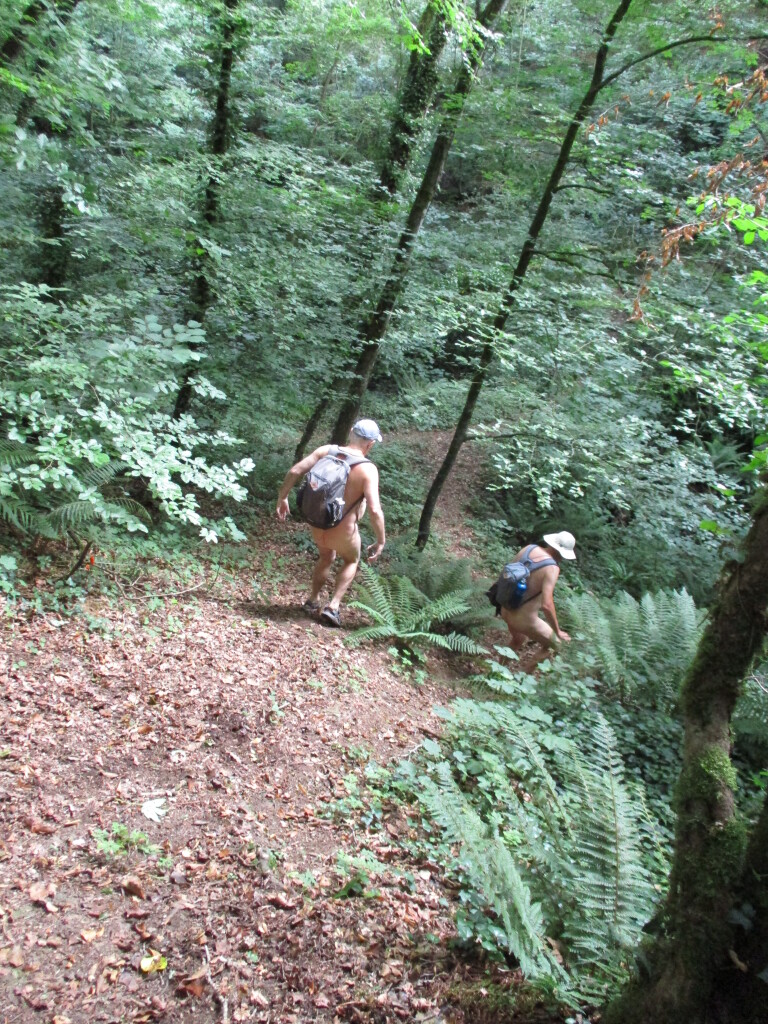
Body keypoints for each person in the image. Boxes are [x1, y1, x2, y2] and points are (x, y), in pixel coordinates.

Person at [276, 419, 386, 627]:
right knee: (352, 560)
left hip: (318, 523)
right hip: (344, 530)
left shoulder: (326, 451)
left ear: (351, 432)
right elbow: (374, 509)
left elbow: (295, 471)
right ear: (370, 444)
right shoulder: (368, 469)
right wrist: (381, 540)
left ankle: (312, 600)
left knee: (326, 556)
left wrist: (283, 497)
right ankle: (333, 607)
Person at [499, 531, 575, 670]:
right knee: (556, 644)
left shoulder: (529, 548)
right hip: (522, 619)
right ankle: (523, 677)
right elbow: (547, 605)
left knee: (519, 639)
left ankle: (497, 670)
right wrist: (557, 630)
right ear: (563, 554)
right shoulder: (552, 568)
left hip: (505, 607)